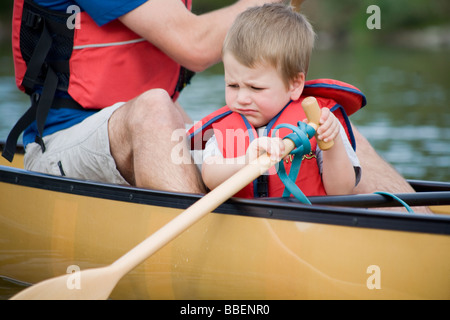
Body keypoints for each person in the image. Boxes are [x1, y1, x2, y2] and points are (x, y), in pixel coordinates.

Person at [5, 0, 286, 194]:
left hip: (148, 129)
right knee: (154, 106)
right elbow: (195, 44)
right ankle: (197, 257)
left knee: (237, 136)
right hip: (59, 145)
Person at [190, 4, 363, 198]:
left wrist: (331, 143)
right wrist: (247, 160)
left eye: (256, 88)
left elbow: (342, 191)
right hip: (247, 224)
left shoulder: (319, 123)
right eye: (232, 85)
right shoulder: (223, 130)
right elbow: (210, 177)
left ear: (294, 85)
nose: (241, 98)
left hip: (308, 224)